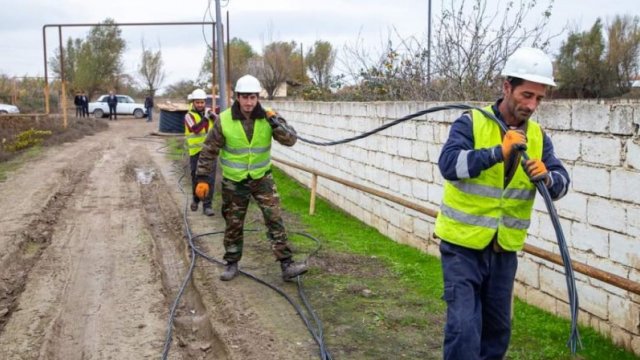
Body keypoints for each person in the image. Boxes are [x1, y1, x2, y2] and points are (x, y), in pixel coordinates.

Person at [434, 47, 570, 360]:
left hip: (504, 251)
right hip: (462, 249)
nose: (532, 105)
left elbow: (563, 182)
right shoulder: (471, 122)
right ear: (507, 87)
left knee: (497, 332)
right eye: (526, 95)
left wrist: (549, 178)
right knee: (464, 328)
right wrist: (498, 152)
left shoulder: (537, 136)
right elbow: (449, 165)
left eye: (539, 98)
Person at [194, 74, 308, 282]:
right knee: (233, 223)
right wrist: (202, 178)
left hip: (261, 178)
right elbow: (209, 150)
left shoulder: (268, 117)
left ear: (258, 98)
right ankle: (231, 263)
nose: (248, 102)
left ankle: (286, 264)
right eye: (244, 97)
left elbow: (290, 140)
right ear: (237, 97)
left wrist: (277, 122)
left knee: (274, 219)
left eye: (252, 97)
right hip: (234, 181)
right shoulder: (224, 120)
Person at [184, 88, 217, 217]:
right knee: (197, 178)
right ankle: (196, 199)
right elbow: (196, 129)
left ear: (205, 102)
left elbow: (219, 123)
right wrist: (205, 118)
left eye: (202, 102)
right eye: (197, 102)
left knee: (210, 179)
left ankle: (207, 206)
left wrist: (214, 117)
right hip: (196, 152)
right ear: (193, 103)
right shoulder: (189, 116)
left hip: (210, 152)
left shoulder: (209, 114)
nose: (200, 105)